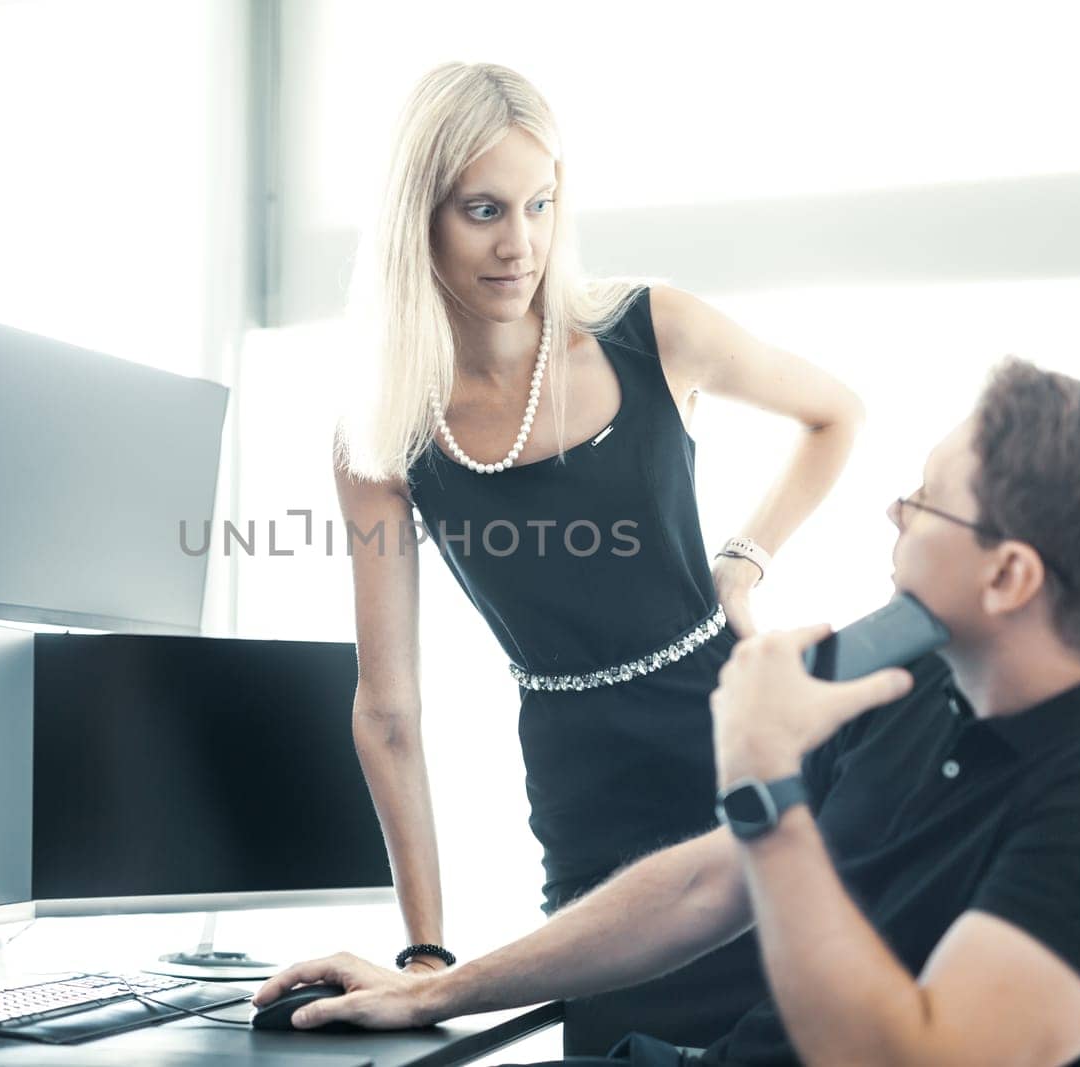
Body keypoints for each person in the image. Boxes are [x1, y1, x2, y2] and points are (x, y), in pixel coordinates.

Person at [266, 358, 1080, 1066]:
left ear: (1009, 575)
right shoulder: (919, 690)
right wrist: (435, 991)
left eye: (925, 502)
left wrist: (764, 783)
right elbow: (708, 883)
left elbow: (914, 1057)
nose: (894, 514)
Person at [333, 62, 866, 1052]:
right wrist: (425, 953)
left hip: (736, 736)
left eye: (540, 202)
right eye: (483, 209)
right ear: (420, 219)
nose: (519, 243)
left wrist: (741, 564)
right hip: (584, 793)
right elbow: (388, 708)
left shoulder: (651, 329)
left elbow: (834, 414)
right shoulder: (384, 430)